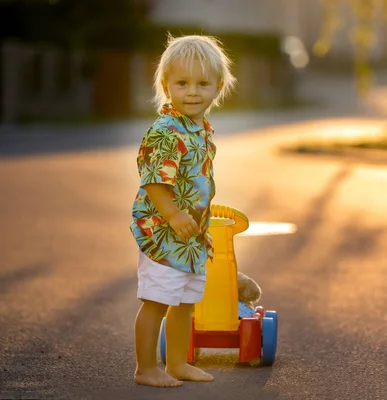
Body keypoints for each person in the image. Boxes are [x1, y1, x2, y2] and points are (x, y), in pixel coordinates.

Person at [130, 34, 235, 388]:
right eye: (182, 83)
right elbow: (155, 182)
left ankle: (176, 363)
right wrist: (174, 215)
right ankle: (146, 368)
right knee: (157, 301)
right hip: (163, 233)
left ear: (218, 87)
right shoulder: (166, 130)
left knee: (185, 302)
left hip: (191, 236)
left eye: (203, 83)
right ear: (166, 85)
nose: (193, 91)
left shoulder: (200, 128)